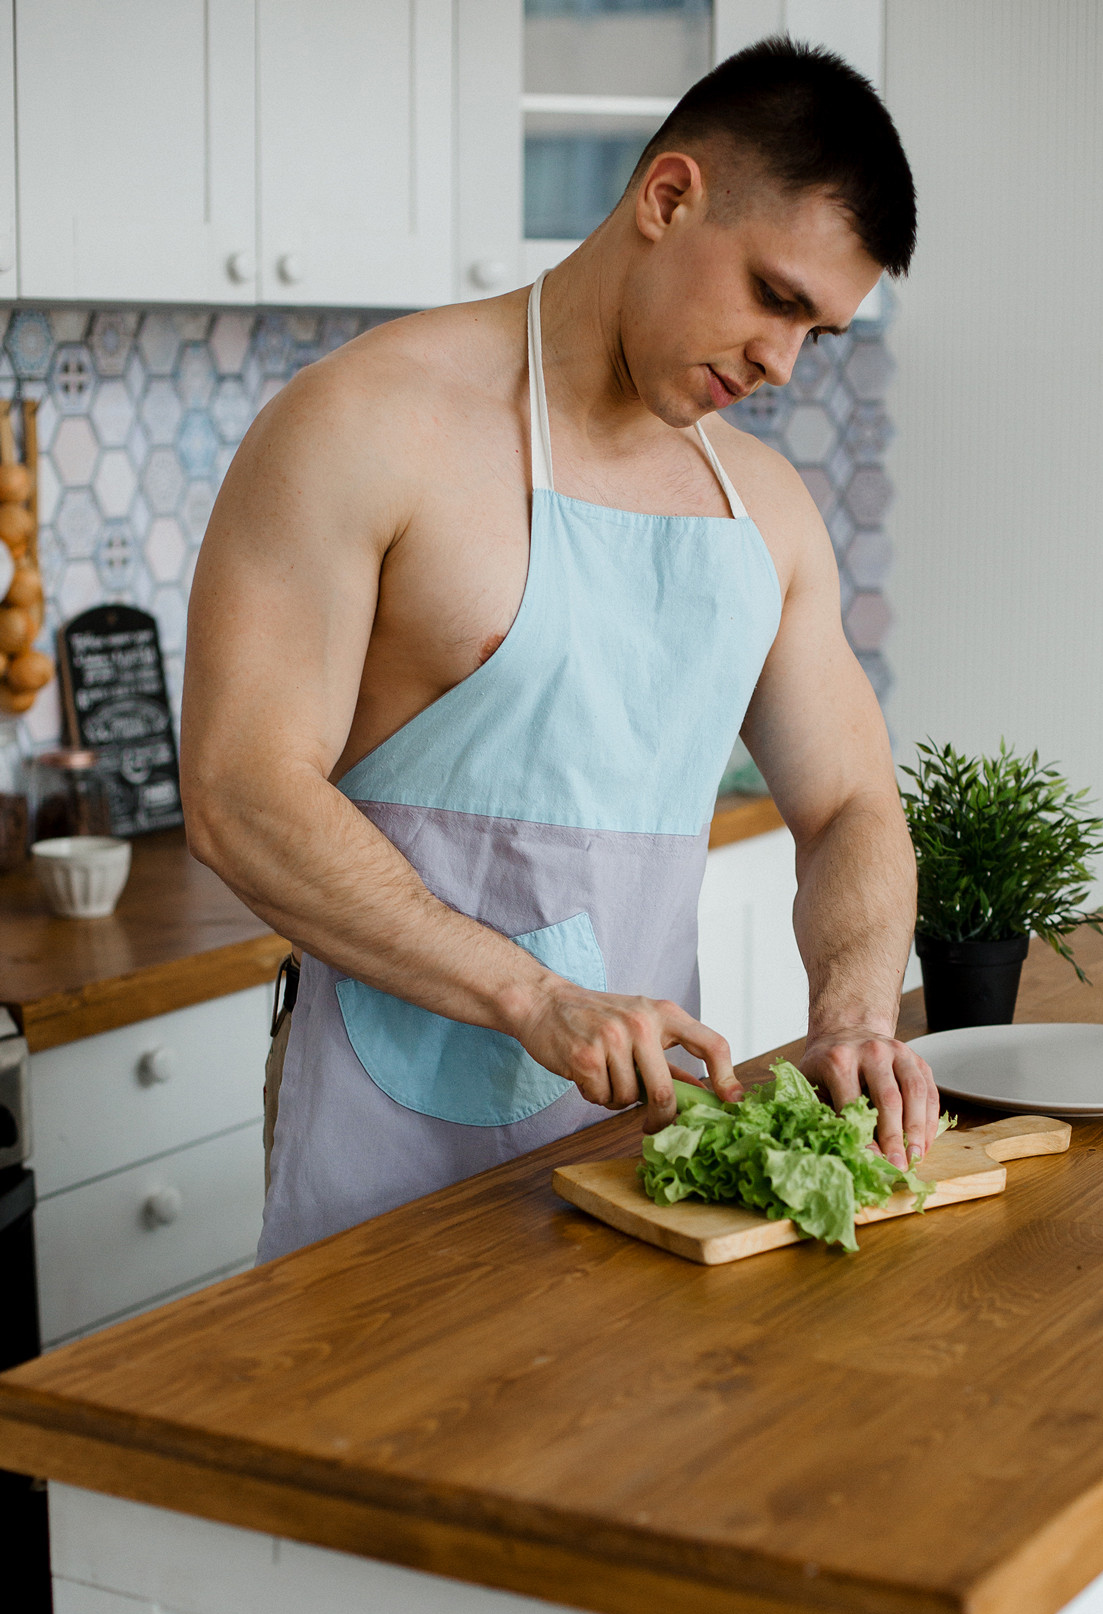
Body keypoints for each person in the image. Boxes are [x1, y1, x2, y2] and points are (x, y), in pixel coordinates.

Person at [182, 36, 940, 1263]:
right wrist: (536, 999)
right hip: (380, 1167)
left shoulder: (763, 511)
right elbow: (237, 791)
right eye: (773, 296)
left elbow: (851, 798)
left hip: (637, 1171)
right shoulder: (361, 424)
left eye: (820, 332)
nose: (781, 363)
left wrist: (851, 1015)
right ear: (668, 196)